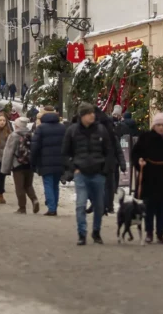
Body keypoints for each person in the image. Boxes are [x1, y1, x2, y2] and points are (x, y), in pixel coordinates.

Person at [63, 102, 117, 245]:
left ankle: (96, 231)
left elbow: (109, 151)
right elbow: (65, 153)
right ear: (82, 115)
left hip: (98, 173)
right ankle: (82, 233)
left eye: (93, 112)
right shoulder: (72, 130)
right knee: (80, 204)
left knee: (99, 205)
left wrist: (105, 170)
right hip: (81, 173)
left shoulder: (101, 130)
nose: (92, 115)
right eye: (88, 113)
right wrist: (73, 168)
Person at [131, 112, 163, 243]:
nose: (161, 127)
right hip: (149, 176)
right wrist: (139, 161)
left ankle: (160, 233)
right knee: (149, 206)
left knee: (161, 207)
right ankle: (149, 232)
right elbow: (135, 153)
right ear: (154, 126)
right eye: (158, 125)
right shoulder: (145, 137)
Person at [31, 105, 66, 215]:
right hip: (59, 161)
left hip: (45, 161)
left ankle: (51, 208)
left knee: (48, 184)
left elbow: (35, 146)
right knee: (55, 185)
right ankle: (54, 205)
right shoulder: (62, 128)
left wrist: (33, 161)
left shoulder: (41, 128)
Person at [2, 116, 40, 213]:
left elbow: (8, 152)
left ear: (17, 126)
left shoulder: (14, 135)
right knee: (28, 185)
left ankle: (22, 208)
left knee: (19, 187)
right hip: (29, 164)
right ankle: (34, 200)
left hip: (17, 164)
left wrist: (5, 168)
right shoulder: (31, 134)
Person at [95, 106, 123, 215]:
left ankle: (104, 205)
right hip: (110, 162)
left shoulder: (98, 130)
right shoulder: (110, 132)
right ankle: (108, 206)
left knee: (105, 185)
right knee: (108, 185)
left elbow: (117, 149)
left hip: (104, 162)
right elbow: (118, 149)